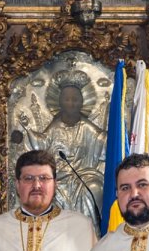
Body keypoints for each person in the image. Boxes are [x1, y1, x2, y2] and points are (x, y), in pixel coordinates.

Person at [19, 70, 106, 224]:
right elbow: (42, 143)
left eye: (75, 100)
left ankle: (90, 230)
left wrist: (114, 133)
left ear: (82, 103)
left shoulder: (87, 128)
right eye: (67, 99)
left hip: (85, 176)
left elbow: (102, 142)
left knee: (93, 188)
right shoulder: (55, 127)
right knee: (50, 190)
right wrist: (27, 128)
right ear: (60, 102)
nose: (71, 103)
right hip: (59, 178)